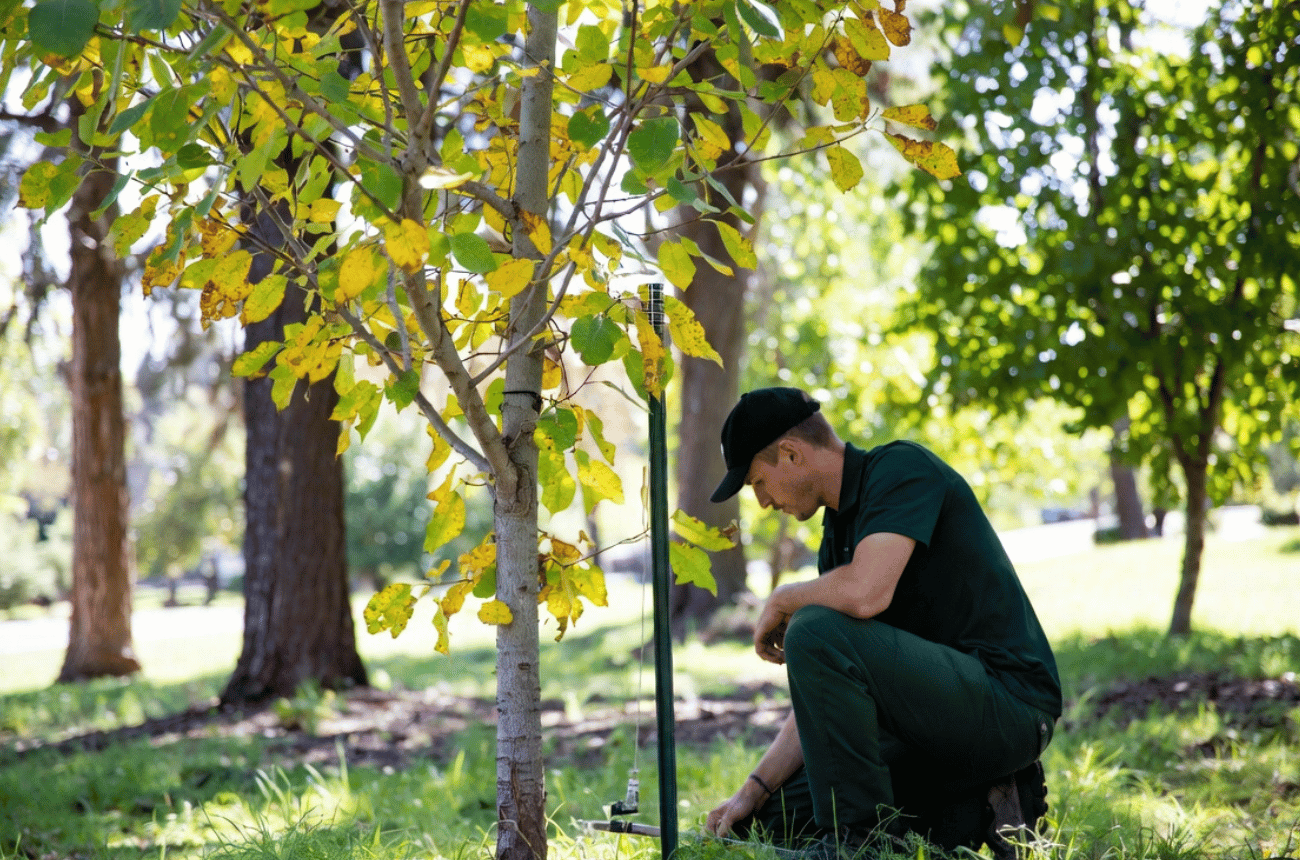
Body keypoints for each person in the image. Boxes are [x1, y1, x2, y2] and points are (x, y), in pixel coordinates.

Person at [702, 387, 1061, 856]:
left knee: (812, 628)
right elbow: (823, 701)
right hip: (925, 721)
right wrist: (753, 789)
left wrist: (786, 598)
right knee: (766, 822)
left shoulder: (900, 470)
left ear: (790, 454)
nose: (764, 502)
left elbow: (866, 592)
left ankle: (859, 845)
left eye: (757, 483)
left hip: (1008, 707)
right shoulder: (837, 540)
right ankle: (983, 803)